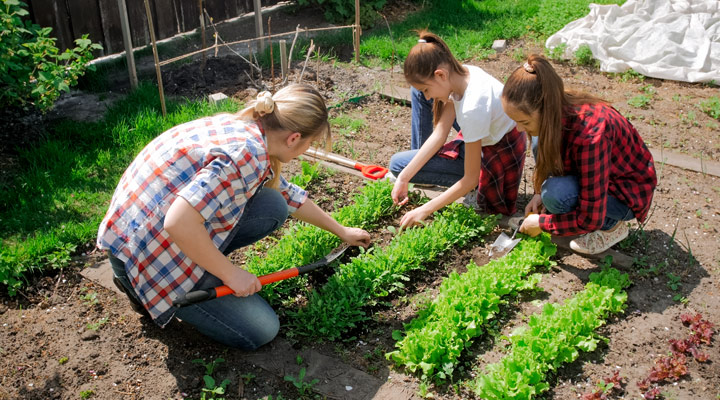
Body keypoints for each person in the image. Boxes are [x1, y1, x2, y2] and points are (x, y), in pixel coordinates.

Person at [96, 84, 371, 350]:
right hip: (151, 261)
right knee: (262, 329)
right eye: (309, 144)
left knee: (273, 204)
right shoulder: (245, 156)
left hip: (132, 240)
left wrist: (341, 231)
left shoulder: (247, 129)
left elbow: (287, 195)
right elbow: (177, 222)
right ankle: (142, 292)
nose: (305, 151)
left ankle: (199, 264)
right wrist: (231, 274)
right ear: (294, 138)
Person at [503, 55, 657, 254]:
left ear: (546, 110)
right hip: (597, 176)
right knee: (537, 140)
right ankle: (559, 206)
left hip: (626, 192)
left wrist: (542, 223)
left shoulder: (591, 135)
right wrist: (538, 194)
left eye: (523, 122)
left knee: (556, 195)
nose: (517, 128)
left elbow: (589, 217)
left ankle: (611, 226)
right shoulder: (555, 108)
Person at [388, 31, 526, 228]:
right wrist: (404, 178)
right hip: (491, 140)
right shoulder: (463, 74)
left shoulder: (472, 108)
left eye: (427, 90)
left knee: (397, 163)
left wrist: (425, 209)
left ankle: (481, 188)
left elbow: (469, 178)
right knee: (401, 169)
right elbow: (440, 133)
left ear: (440, 75)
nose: (427, 98)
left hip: (499, 159)